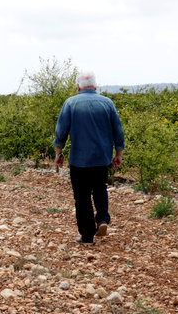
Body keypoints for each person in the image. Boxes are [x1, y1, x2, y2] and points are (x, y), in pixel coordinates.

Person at [52, 71, 124, 246]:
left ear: (78, 87)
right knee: (100, 189)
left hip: (79, 160)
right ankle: (102, 219)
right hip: (101, 158)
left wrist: (59, 152)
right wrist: (118, 154)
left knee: (82, 196)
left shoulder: (70, 103)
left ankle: (87, 236)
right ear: (95, 86)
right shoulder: (107, 103)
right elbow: (118, 130)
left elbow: (61, 131)